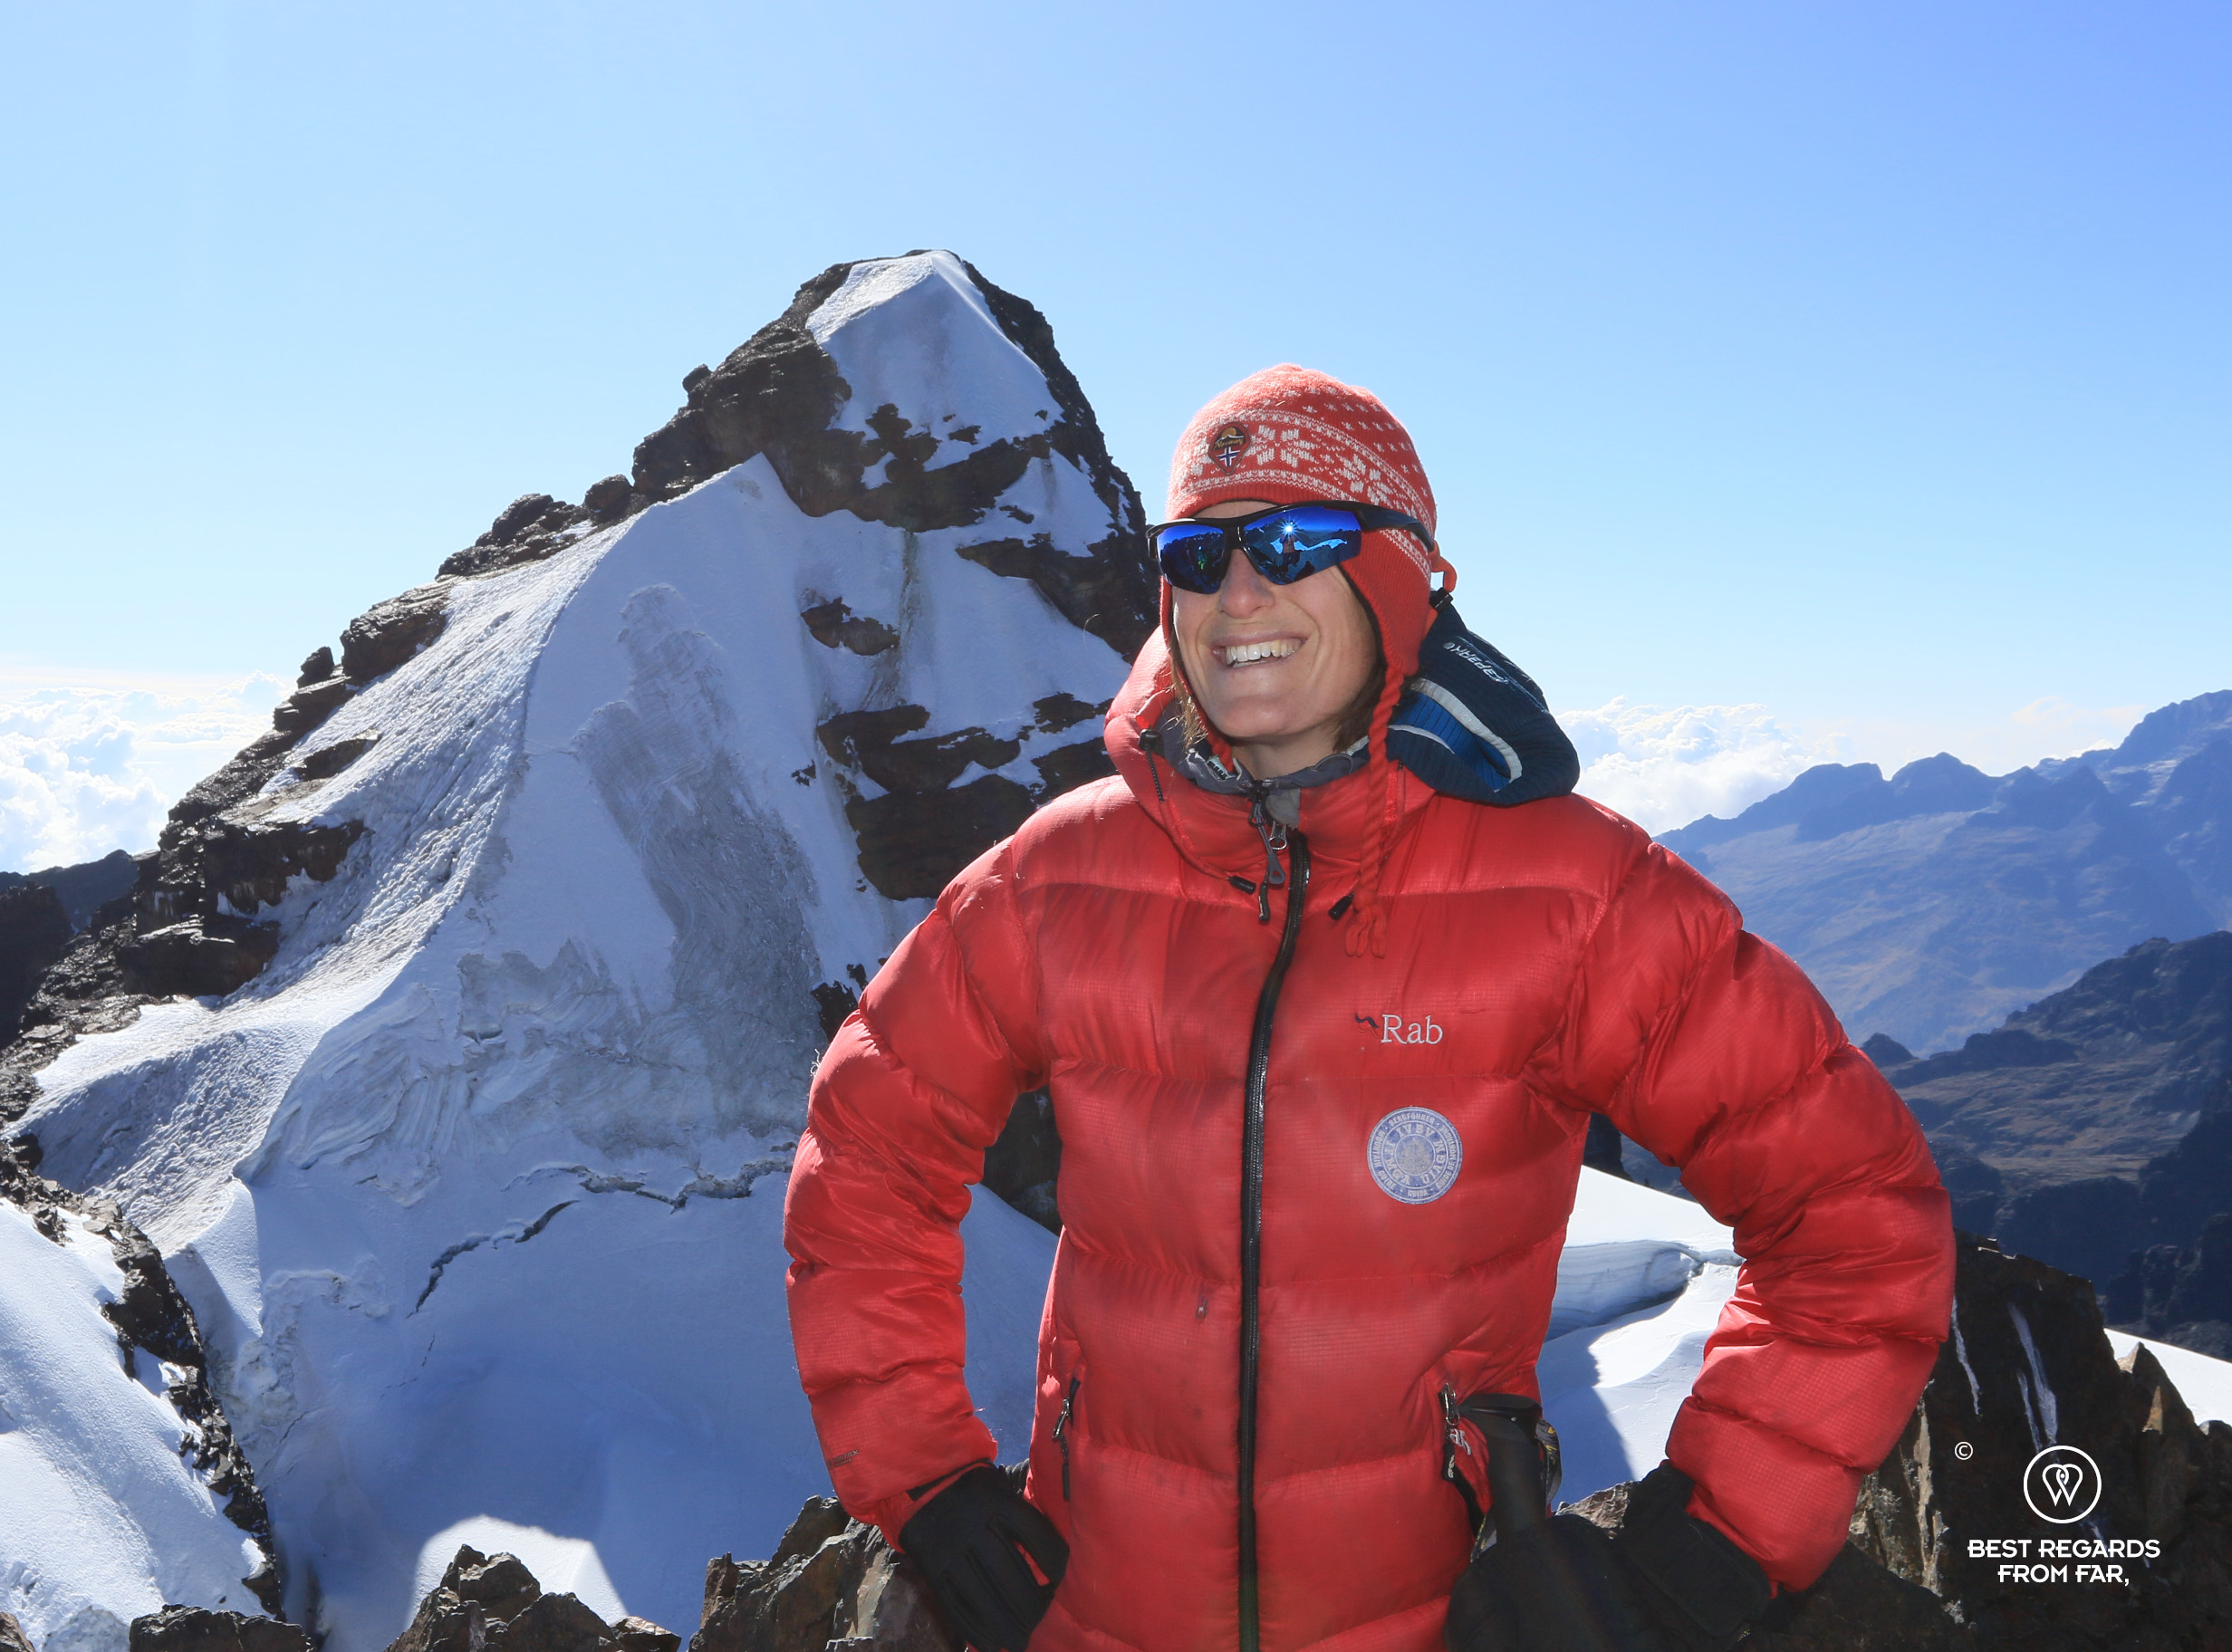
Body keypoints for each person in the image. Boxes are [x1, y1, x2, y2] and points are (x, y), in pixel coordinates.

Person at [782, 366, 1954, 1652]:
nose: (1239, 593)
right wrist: (926, 1476)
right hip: (1094, 1615)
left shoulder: (1577, 896)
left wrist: (1710, 1549)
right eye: (1197, 550)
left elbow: (1855, 1216)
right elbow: (866, 1154)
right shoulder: (1053, 880)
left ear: (1401, 578)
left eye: (1297, 542)